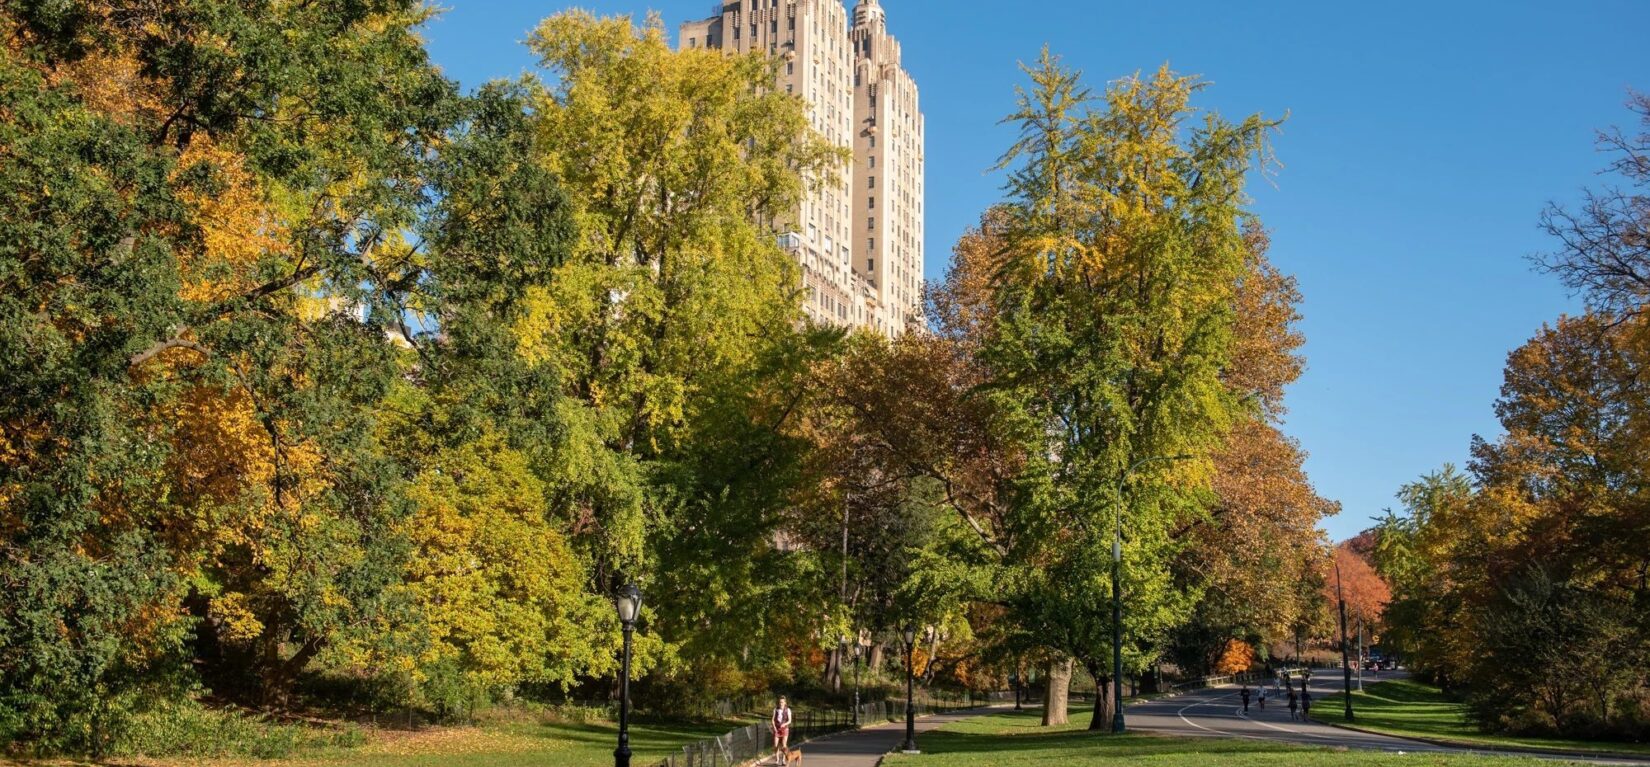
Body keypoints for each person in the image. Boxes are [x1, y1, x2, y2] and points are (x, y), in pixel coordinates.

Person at [772, 695, 793, 763]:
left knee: (784, 745)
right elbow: (772, 720)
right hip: (777, 729)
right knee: (776, 745)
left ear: (785, 703)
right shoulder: (775, 709)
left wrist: (784, 724)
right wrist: (774, 727)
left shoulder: (788, 710)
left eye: (782, 702)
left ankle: (783, 760)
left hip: (785, 729)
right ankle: (777, 759)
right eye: (780, 702)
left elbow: (790, 720)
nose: (781, 703)